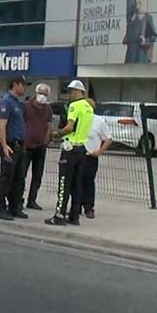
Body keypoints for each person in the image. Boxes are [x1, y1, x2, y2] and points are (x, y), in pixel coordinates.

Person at [46, 80, 93, 226]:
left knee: (64, 182)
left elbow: (69, 127)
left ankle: (59, 215)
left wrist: (57, 133)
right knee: (77, 183)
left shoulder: (74, 106)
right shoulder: (89, 107)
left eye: (72, 91)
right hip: (82, 147)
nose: (70, 94)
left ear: (79, 92)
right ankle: (74, 216)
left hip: (70, 147)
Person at [0, 77, 28, 221]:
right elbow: (1, 126)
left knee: (19, 178)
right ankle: (0, 207)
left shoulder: (17, 103)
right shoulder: (6, 101)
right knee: (6, 177)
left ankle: (14, 207)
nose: (25, 88)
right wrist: (4, 146)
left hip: (19, 145)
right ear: (15, 84)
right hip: (9, 144)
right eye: (23, 85)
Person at [22, 83, 53, 211]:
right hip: (26, 146)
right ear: (36, 93)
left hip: (40, 146)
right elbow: (21, 123)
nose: (42, 97)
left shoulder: (48, 109)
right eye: (41, 93)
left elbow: (49, 125)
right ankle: (18, 200)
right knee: (21, 174)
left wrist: (45, 141)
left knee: (37, 175)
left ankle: (32, 200)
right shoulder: (26, 106)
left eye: (45, 94)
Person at [81, 98, 113, 220]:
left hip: (90, 156)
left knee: (88, 182)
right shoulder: (78, 119)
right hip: (78, 155)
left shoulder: (99, 121)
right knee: (76, 182)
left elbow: (108, 139)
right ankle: (75, 207)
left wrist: (99, 151)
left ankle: (88, 207)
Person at [123, 0, 157, 64]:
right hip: (129, 58)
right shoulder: (130, 18)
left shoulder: (147, 18)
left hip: (141, 59)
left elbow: (153, 36)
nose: (137, 0)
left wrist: (145, 40)